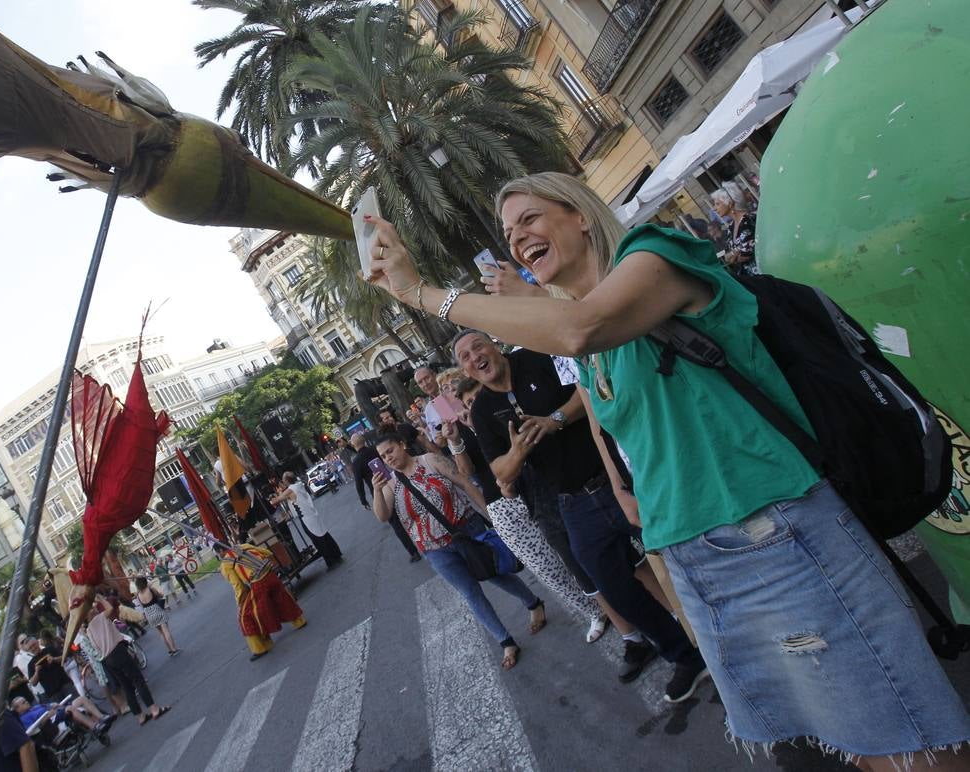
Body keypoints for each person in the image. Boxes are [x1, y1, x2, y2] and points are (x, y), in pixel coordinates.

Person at [365, 170, 970, 765]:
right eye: (508, 230)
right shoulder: (591, 327)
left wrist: (424, 293)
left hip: (775, 529)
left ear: (579, 214)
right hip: (694, 553)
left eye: (531, 218)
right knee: (839, 737)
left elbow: (581, 329)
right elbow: (605, 407)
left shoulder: (656, 255)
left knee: (903, 739)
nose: (517, 236)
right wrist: (641, 513)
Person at [455, 328, 697, 693]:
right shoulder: (483, 410)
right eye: (465, 358)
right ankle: (685, 657)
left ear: (495, 346)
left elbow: (589, 393)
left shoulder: (537, 356)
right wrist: (519, 449)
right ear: (467, 373)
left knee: (680, 555)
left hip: (616, 480)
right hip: (572, 502)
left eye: (478, 346)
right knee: (615, 589)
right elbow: (500, 471)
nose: (475, 357)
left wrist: (554, 421)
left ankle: (718, 636)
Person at [453, 376, 609, 643]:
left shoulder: (510, 408)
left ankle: (618, 602)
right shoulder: (463, 430)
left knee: (587, 547)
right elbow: (468, 471)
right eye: (468, 402)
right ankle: (595, 611)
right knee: (552, 566)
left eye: (478, 396)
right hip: (510, 502)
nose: (474, 405)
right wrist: (462, 437)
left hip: (550, 489)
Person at [371, 430, 545, 670]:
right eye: (383, 456)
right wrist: (377, 491)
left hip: (467, 528)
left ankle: (533, 603)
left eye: (390, 450)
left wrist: (490, 514)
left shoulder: (430, 461)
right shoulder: (390, 485)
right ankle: (505, 641)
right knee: (470, 593)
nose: (388, 458)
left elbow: (464, 482)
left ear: (402, 445)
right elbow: (383, 516)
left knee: (495, 574)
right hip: (434, 549)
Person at [84, 595, 169, 725]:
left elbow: (97, 648)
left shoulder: (88, 630)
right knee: (137, 679)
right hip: (117, 651)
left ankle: (140, 716)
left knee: (126, 686)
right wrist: (100, 597)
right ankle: (154, 709)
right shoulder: (100, 618)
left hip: (108, 659)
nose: (95, 608)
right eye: (92, 608)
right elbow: (110, 607)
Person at [219, 541, 307, 660]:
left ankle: (260, 648)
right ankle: (299, 621)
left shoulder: (226, 564)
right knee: (282, 598)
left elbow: (238, 586)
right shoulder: (243, 546)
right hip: (270, 575)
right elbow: (267, 552)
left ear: (220, 552)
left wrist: (240, 602)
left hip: (258, 583)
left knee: (245, 616)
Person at [349, 431, 422, 563]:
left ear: (353, 445)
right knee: (412, 510)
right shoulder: (375, 450)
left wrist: (363, 499)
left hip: (379, 491)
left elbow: (358, 483)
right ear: (364, 440)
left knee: (396, 524)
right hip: (394, 482)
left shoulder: (356, 462)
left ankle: (413, 552)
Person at [271, 470, 344, 569]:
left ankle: (330, 560)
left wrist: (274, 497)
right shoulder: (298, 485)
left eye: (283, 480)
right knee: (324, 534)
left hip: (305, 517)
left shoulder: (291, 489)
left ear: (287, 481)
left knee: (317, 539)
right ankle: (336, 554)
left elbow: (277, 500)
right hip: (311, 513)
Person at [10, 694, 113, 744]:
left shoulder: (35, 707)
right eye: (23, 703)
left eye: (25, 700)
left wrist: (54, 705)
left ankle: (102, 718)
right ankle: (95, 727)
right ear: (17, 709)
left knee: (81, 699)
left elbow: (49, 705)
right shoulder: (23, 718)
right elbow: (34, 729)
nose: (26, 702)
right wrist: (48, 715)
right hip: (51, 723)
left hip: (58, 712)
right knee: (69, 709)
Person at [711, 182, 758, 275]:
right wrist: (735, 253)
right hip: (750, 277)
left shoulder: (748, 219)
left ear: (730, 202)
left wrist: (734, 254)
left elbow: (746, 254)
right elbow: (731, 257)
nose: (714, 208)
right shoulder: (731, 227)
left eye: (717, 204)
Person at [133, 575, 182, 656]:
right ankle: (174, 649)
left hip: (149, 614)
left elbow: (141, 606)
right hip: (157, 610)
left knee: (161, 633)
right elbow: (161, 595)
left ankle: (170, 650)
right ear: (145, 581)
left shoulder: (138, 595)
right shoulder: (150, 589)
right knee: (166, 630)